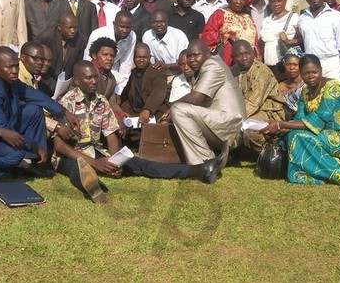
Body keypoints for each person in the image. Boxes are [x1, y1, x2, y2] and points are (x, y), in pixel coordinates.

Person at [53, 61, 227, 203]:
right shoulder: (66, 103)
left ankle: (200, 170)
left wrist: (115, 162)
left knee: (141, 164)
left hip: (97, 153)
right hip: (71, 156)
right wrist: (95, 163)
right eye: (88, 78)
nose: (93, 82)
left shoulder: (102, 101)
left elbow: (111, 134)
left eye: (95, 78)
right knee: (78, 169)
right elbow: (59, 145)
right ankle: (94, 187)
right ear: (76, 81)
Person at [0, 47, 77, 179]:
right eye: (10, 67)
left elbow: (33, 95)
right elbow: (3, 129)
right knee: (15, 154)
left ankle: (30, 163)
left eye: (17, 66)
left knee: (34, 111)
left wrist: (64, 112)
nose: (15, 71)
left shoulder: (7, 79)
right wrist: (34, 146)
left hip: (4, 126)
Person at [260, 54, 340, 186]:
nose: (310, 76)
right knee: (291, 135)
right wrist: (276, 128)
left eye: (314, 72)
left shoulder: (333, 88)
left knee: (300, 137)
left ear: (321, 70)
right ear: (301, 74)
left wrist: (279, 124)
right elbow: (299, 118)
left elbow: (318, 120)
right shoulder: (306, 91)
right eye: (305, 73)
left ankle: (339, 174)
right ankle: (307, 173)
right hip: (325, 135)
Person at [164, 39, 246, 165]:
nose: (191, 60)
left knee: (178, 109)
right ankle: (208, 158)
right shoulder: (204, 69)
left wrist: (172, 107)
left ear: (208, 53)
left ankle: (205, 161)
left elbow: (196, 98)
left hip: (232, 128)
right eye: (189, 56)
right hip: (223, 125)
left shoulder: (212, 65)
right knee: (182, 110)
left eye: (196, 55)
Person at [231, 40, 286, 153]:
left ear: (253, 53)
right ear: (234, 57)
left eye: (247, 53)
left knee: (248, 126)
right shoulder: (234, 71)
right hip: (249, 110)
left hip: (271, 112)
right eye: (239, 55)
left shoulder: (260, 71)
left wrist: (230, 118)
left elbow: (253, 103)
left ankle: (267, 152)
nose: (244, 57)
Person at [296, 0, 340, 88]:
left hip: (332, 64)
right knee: (314, 101)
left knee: (332, 99)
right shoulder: (302, 19)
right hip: (311, 66)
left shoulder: (337, 17)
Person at [202, 0, 259, 66]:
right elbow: (208, 38)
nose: (239, 2)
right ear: (229, 0)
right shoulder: (219, 15)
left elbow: (255, 41)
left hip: (250, 63)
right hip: (228, 63)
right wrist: (226, 38)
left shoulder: (248, 17)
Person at [84, 10, 136, 95]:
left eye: (128, 27)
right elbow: (88, 60)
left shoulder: (132, 36)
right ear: (114, 24)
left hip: (113, 69)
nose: (125, 30)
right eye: (122, 26)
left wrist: (118, 91)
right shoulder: (98, 34)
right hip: (95, 70)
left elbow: (126, 63)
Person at [38, 11, 88, 94]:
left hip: (67, 84)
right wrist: (54, 86)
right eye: (70, 27)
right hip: (45, 82)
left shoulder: (80, 40)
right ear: (59, 27)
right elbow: (40, 66)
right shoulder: (46, 38)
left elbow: (77, 64)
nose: (73, 31)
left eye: (75, 28)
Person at [120, 43, 169, 126]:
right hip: (135, 114)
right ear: (133, 58)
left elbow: (159, 91)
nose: (141, 60)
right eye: (138, 57)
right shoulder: (131, 74)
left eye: (145, 57)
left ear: (150, 57)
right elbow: (126, 98)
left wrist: (147, 110)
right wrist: (125, 112)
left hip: (154, 113)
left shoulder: (157, 70)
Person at [259, 0, 299, 76]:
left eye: (279, 1)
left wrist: (288, 41)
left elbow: (302, 40)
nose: (276, 4)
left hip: (285, 66)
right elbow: (262, 43)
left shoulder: (293, 18)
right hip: (268, 67)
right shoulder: (267, 20)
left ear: (285, 0)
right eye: (273, 1)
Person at [142, 10, 188, 76]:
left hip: (180, 73)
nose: (159, 25)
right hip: (159, 73)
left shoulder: (179, 36)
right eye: (155, 22)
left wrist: (167, 66)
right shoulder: (147, 36)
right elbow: (150, 60)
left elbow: (184, 62)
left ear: (167, 22)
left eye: (161, 22)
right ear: (150, 23)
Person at [277, 49, 305, 117]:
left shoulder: (306, 83)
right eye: (288, 65)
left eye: (295, 64)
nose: (292, 68)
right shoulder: (280, 86)